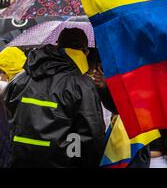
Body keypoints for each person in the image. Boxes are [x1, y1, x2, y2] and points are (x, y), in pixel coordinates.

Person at [3, 28, 105, 168]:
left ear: (58, 45)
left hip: (16, 161)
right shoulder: (82, 85)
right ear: (84, 52)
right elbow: (92, 139)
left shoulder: (19, 79)